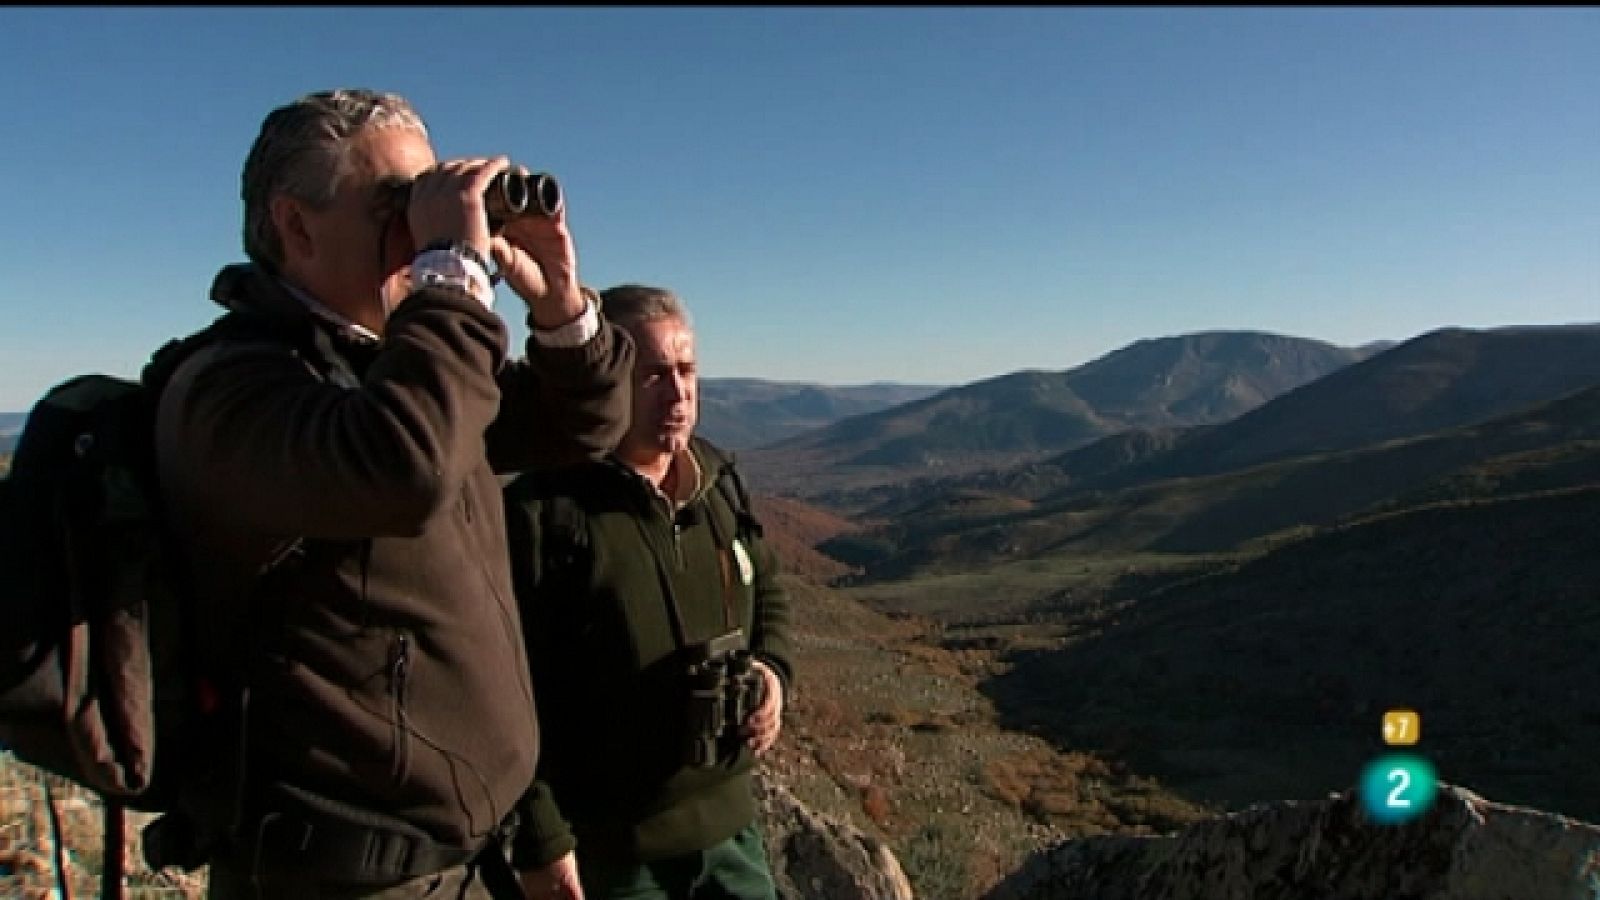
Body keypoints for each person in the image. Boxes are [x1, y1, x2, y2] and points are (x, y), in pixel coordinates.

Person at [150, 88, 634, 899]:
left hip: (471, 850)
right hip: (341, 875)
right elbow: (404, 468)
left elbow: (582, 425)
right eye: (394, 204)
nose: (419, 228)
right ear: (295, 226)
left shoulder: (393, 371)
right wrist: (452, 275)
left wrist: (558, 304)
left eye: (427, 202)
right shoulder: (228, 391)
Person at [502, 285, 794, 900]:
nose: (678, 392)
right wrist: (542, 837)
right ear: (607, 382)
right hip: (614, 853)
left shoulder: (717, 482)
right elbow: (507, 690)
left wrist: (772, 671)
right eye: (653, 374)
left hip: (731, 832)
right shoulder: (544, 512)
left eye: (687, 371)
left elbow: (765, 584)